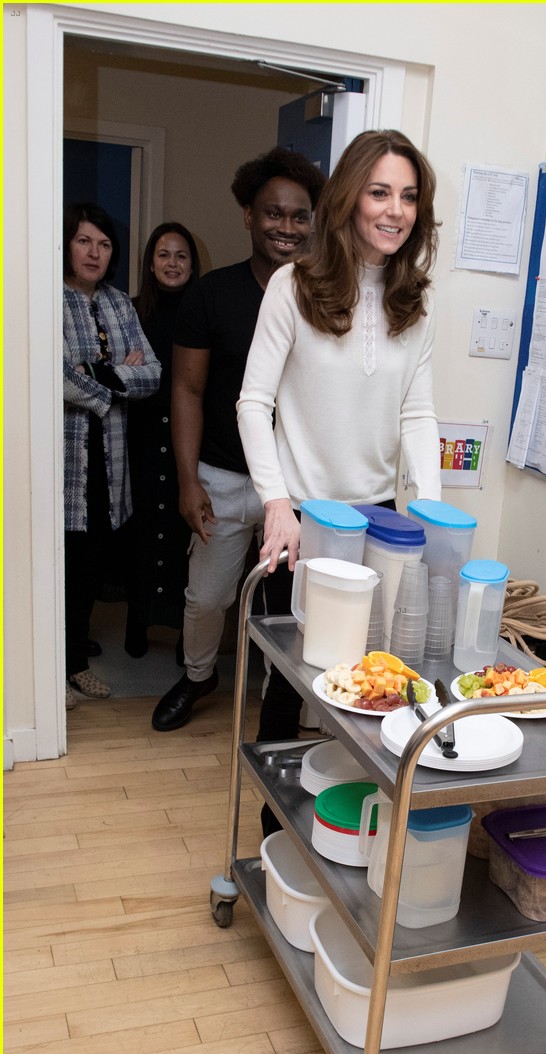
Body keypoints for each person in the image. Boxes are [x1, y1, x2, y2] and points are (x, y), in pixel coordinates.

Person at [236, 129, 442, 832]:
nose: (395, 210)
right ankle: (276, 818)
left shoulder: (411, 300)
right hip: (304, 517)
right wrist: (275, 504)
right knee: (293, 676)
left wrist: (435, 516)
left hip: (378, 516)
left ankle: (347, 804)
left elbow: (417, 410)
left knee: (370, 675)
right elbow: (251, 402)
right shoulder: (294, 287)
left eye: (408, 196)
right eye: (379, 192)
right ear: (349, 199)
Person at [151, 148, 326, 732]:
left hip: (297, 481)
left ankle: (284, 696)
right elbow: (187, 390)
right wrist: (187, 480)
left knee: (292, 608)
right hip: (224, 476)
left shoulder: (323, 298)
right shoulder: (211, 295)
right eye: (273, 213)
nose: (287, 227)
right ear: (248, 215)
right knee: (207, 599)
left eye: (300, 216)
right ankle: (198, 676)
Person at [63, 202, 161, 709]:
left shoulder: (121, 304)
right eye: (84, 241)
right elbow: (53, 376)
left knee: (92, 560)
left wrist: (94, 373)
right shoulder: (47, 300)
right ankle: (66, 665)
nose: (94, 253)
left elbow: (153, 374)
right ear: (66, 244)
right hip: (65, 461)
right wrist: (115, 377)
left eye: (103, 245)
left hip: (111, 459)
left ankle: (72, 648)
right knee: (62, 560)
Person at [127, 222, 201, 660]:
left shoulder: (201, 311)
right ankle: (137, 621)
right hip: (139, 438)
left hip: (186, 440)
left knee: (180, 536)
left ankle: (182, 634)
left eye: (181, 256)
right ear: (150, 264)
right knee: (140, 534)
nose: (172, 263)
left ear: (192, 265)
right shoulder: (130, 312)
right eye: (163, 255)